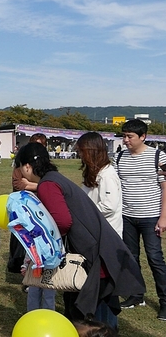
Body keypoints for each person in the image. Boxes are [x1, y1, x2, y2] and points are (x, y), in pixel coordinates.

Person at [14, 142, 145, 324]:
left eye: (20, 167)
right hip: (101, 247)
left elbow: (63, 222)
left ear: (27, 166)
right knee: (101, 308)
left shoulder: (48, 184)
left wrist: (47, 243)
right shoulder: (54, 178)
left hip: (92, 254)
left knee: (91, 316)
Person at [114, 119, 166, 320]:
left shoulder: (158, 156)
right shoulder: (119, 157)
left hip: (151, 216)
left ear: (143, 136)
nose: (126, 140)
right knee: (131, 257)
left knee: (155, 259)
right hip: (127, 216)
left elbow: (164, 188)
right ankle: (136, 295)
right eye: (124, 136)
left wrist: (163, 217)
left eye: (130, 136)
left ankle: (164, 301)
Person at [76, 132, 124, 328]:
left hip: (108, 239)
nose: (79, 155)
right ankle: (99, 324)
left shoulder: (108, 174)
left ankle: (108, 327)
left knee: (106, 290)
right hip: (95, 237)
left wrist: (84, 213)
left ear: (91, 151)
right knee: (97, 287)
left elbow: (109, 206)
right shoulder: (94, 173)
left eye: (81, 151)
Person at [7, 133, 47, 274]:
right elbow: (18, 184)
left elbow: (49, 185)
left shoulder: (45, 167)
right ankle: (19, 265)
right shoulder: (21, 165)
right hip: (24, 206)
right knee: (21, 236)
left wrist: (31, 184)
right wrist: (37, 185)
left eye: (41, 145)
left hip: (40, 207)